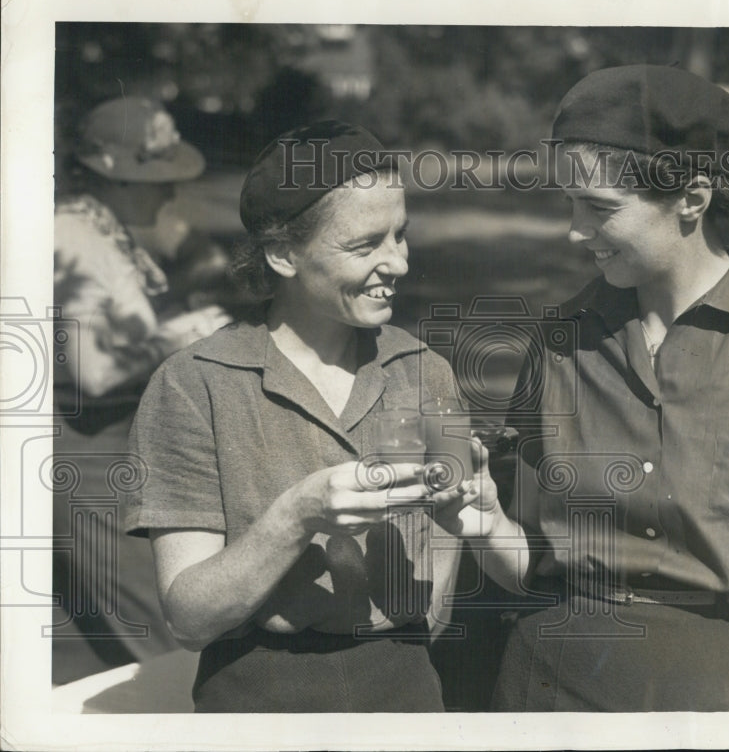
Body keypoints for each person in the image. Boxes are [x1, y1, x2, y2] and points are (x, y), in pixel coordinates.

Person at [444, 65, 729, 711]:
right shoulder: (559, 342)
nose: (574, 231)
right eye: (570, 203)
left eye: (600, 208)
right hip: (546, 694)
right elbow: (531, 567)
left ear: (692, 198)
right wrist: (487, 523)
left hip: (722, 702)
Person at [124, 120, 469, 712]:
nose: (400, 264)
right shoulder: (195, 384)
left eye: (401, 236)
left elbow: (444, 552)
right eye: (366, 246)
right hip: (257, 700)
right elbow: (189, 619)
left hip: (407, 692)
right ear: (283, 254)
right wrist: (297, 514)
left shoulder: (424, 370)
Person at [51, 96, 230, 684]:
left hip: (112, 451)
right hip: (90, 457)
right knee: (169, 644)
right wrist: (179, 336)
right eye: (156, 176)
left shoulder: (105, 227)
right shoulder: (71, 237)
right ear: (111, 173)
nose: (169, 189)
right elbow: (94, 370)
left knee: (99, 654)